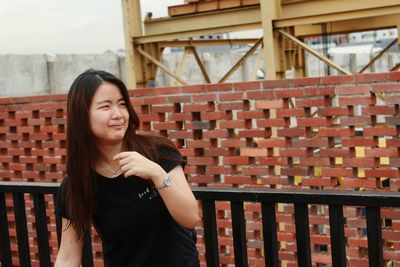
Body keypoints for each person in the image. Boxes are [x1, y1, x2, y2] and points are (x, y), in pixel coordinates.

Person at [55, 69, 200, 267]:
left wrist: (157, 174)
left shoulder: (157, 151)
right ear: (82, 115)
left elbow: (190, 217)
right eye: (105, 106)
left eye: (122, 104)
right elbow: (68, 257)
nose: (118, 114)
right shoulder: (79, 181)